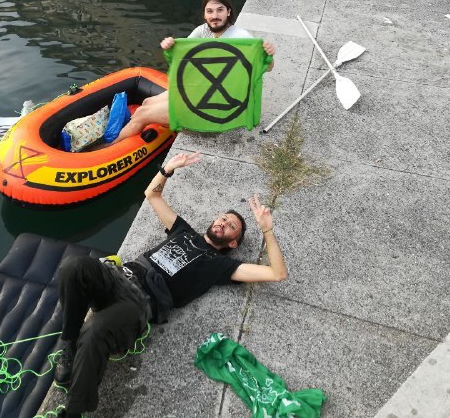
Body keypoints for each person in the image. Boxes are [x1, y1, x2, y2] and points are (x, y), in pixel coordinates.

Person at [53, 151, 288, 418]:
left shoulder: (221, 266)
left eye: (232, 225)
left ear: (233, 243)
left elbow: (277, 273)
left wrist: (267, 230)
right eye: (223, 217)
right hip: (121, 276)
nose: (223, 222)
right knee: (73, 266)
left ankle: (73, 412)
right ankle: (67, 345)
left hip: (140, 302)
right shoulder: (183, 230)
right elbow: (152, 195)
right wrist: (168, 170)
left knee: (96, 330)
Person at [110, 0, 276, 144]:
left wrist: (269, 55)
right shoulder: (202, 31)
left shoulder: (241, 38)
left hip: (212, 106)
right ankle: (158, 126)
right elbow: (183, 58)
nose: (215, 15)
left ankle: (106, 148)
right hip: (197, 91)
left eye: (220, 10)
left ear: (229, 12)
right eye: (210, 11)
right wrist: (170, 46)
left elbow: (267, 67)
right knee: (146, 102)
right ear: (204, 15)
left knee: (141, 114)